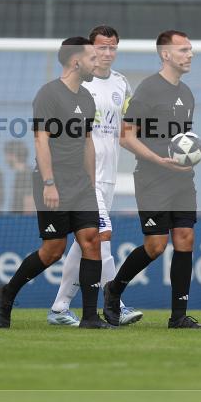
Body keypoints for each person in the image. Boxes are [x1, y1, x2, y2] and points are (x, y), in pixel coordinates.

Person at [0, 37, 111, 329]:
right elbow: (40, 140)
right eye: (92, 58)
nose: (97, 62)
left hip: (81, 184)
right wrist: (49, 182)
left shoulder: (87, 98)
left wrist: (92, 182)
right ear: (76, 61)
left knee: (91, 241)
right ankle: (7, 292)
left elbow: (87, 143)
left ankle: (89, 317)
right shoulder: (48, 94)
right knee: (53, 250)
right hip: (52, 181)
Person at [103, 30, 201, 329]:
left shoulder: (187, 94)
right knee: (156, 245)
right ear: (166, 54)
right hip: (151, 178)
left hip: (182, 179)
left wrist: (190, 159)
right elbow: (125, 137)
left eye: (191, 49)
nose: (190, 55)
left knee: (186, 239)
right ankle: (114, 289)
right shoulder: (148, 89)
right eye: (184, 49)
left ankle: (178, 316)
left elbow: (183, 142)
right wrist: (157, 159)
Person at [47, 25, 143, 326]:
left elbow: (128, 128)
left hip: (109, 175)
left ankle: (60, 307)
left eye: (113, 47)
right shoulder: (81, 85)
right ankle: (116, 302)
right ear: (90, 49)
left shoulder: (121, 83)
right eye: (102, 47)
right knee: (102, 237)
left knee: (84, 243)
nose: (108, 53)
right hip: (84, 177)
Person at [4, 140, 34, 212]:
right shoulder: (23, 173)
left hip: (22, 221)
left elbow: (29, 201)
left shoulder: (25, 175)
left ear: (12, 155)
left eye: (6, 155)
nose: (5, 159)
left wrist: (27, 221)